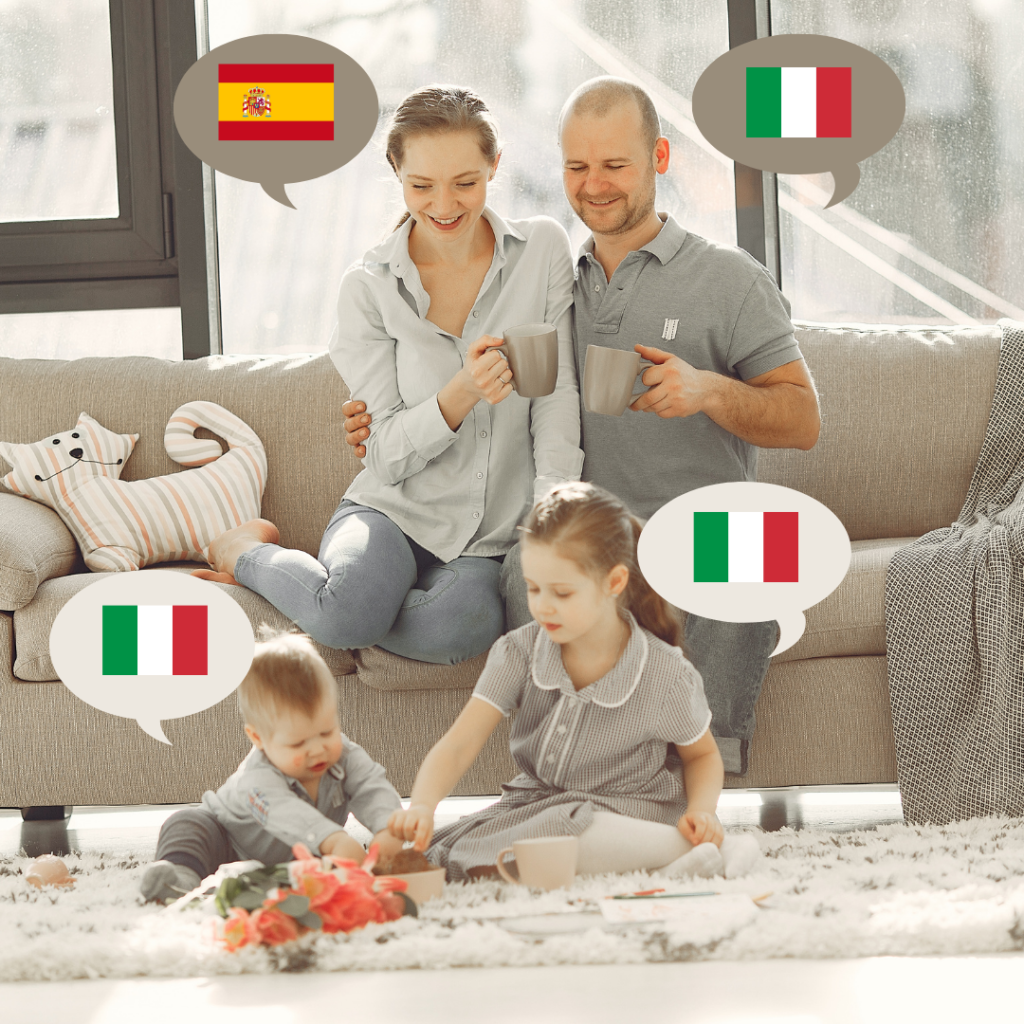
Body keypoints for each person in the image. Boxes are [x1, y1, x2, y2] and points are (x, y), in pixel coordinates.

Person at [344, 78, 821, 769]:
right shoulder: (556, 279)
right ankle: (575, 769)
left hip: (698, 523)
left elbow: (803, 419)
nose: (594, 186)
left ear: (659, 158)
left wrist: (709, 390)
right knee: (524, 568)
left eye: (615, 165)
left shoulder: (729, 279)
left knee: (750, 553)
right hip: (594, 530)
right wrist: (376, 416)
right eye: (577, 167)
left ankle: (696, 771)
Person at [192, 85, 583, 665]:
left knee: (461, 626)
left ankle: (326, 605)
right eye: (421, 185)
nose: (444, 205)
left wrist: (552, 507)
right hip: (391, 510)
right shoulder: (370, 288)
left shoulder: (541, 249)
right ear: (395, 170)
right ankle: (243, 552)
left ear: (494, 166)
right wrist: (460, 393)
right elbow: (386, 457)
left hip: (488, 535)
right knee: (348, 614)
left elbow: (555, 393)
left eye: (466, 183)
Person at [387, 483, 761, 882]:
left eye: (562, 593)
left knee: (570, 830)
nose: (542, 606)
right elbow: (461, 742)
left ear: (614, 583)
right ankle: (672, 863)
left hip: (632, 809)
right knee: (454, 855)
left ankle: (705, 849)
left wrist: (701, 811)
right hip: (540, 808)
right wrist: (424, 805)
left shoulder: (666, 672)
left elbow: (701, 756)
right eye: (533, 589)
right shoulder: (518, 651)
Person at [140, 632, 405, 902]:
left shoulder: (345, 756)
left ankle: (264, 883)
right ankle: (179, 880)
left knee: (322, 872)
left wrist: (388, 827)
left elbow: (371, 787)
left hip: (290, 860)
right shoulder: (257, 778)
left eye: (327, 732)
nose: (317, 749)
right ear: (259, 739)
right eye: (298, 742)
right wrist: (333, 839)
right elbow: (284, 812)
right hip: (227, 841)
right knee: (187, 824)